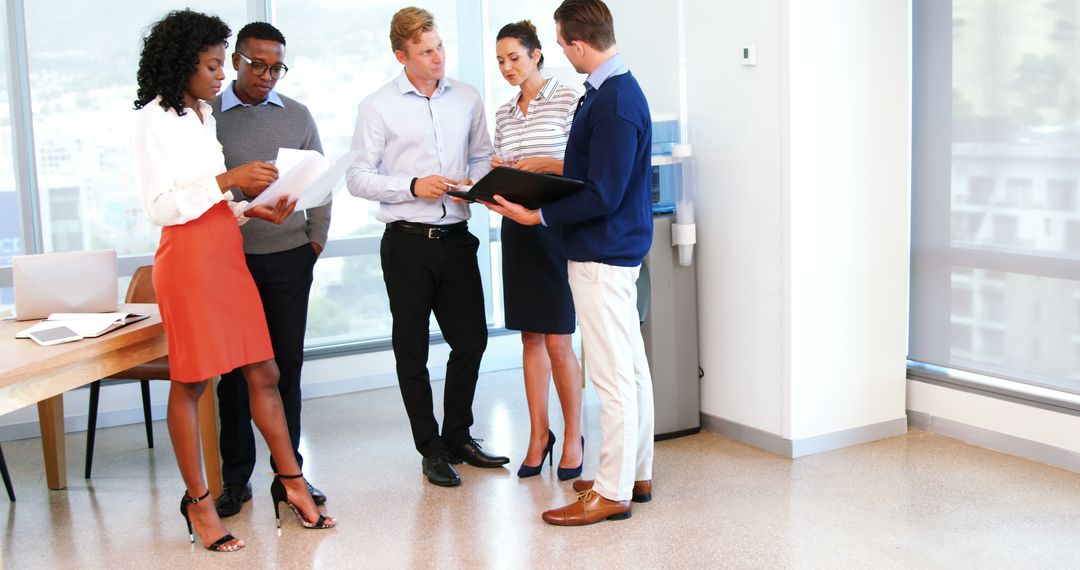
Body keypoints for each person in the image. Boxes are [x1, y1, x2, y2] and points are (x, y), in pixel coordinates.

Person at [132, 9, 335, 552]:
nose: (221, 76)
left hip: (226, 251)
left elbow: (211, 201)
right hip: (190, 261)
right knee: (193, 381)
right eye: (213, 65)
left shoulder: (200, 115)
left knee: (264, 370)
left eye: (222, 65)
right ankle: (199, 504)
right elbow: (161, 207)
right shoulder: (154, 119)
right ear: (184, 65)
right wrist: (229, 180)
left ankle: (291, 482)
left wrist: (249, 209)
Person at [483, 0, 655, 525]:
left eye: (560, 43)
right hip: (610, 250)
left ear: (579, 44)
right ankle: (634, 473)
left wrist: (539, 219)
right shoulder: (607, 93)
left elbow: (601, 194)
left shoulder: (614, 101)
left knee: (613, 377)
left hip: (601, 252)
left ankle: (611, 491)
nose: (560, 51)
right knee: (631, 370)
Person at [346, 6, 508, 487]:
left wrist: (472, 184)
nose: (438, 58)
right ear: (401, 55)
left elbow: (482, 155)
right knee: (412, 350)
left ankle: (459, 435)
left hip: (457, 238)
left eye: (440, 47)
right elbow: (358, 178)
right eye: (426, 52)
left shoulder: (467, 97)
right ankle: (430, 446)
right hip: (407, 244)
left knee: (472, 340)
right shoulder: (377, 106)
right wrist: (413, 185)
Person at [209, 21, 331, 519]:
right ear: (236, 59)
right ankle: (235, 480)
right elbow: (198, 188)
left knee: (286, 369)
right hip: (228, 261)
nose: (267, 75)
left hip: (288, 257)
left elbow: (321, 179)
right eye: (257, 64)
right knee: (234, 375)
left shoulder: (298, 115)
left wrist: (314, 242)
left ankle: (290, 475)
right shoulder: (206, 115)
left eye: (276, 67)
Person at [490, 20, 583, 480]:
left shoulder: (568, 98)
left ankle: (572, 437)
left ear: (537, 54)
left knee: (559, 339)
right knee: (529, 337)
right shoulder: (505, 113)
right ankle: (537, 435)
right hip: (516, 228)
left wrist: (545, 164)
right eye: (501, 61)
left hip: (555, 227)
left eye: (515, 58)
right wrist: (496, 176)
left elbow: (582, 166)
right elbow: (507, 165)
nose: (508, 68)